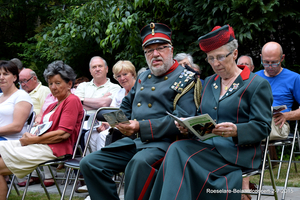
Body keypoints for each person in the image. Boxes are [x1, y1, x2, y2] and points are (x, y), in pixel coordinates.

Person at [149, 24, 273, 200]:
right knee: (177, 149)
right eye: (210, 58)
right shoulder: (208, 82)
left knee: (177, 151)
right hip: (207, 147)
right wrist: (188, 126)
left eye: (221, 57)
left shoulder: (256, 84)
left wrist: (236, 130)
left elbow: (263, 127)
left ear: (235, 54)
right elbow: (203, 117)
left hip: (237, 153)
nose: (216, 63)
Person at [80, 22, 200, 200]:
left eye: (161, 48)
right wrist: (121, 122)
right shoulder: (144, 76)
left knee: (138, 164)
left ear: (171, 49)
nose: (155, 54)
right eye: (149, 51)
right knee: (90, 163)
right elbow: (127, 105)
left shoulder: (187, 78)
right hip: (135, 142)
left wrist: (139, 127)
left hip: (167, 145)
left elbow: (184, 118)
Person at [0, 60, 84, 199]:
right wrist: (31, 135)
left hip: (55, 149)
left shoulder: (72, 100)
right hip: (39, 143)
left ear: (69, 84)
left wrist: (34, 139)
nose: (53, 87)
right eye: (50, 83)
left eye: (58, 83)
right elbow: (42, 129)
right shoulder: (53, 105)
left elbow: (63, 134)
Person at [0, 60, 33, 141]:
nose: (1, 77)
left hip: (11, 141)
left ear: (15, 77)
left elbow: (17, 126)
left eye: (5, 74)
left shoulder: (21, 96)